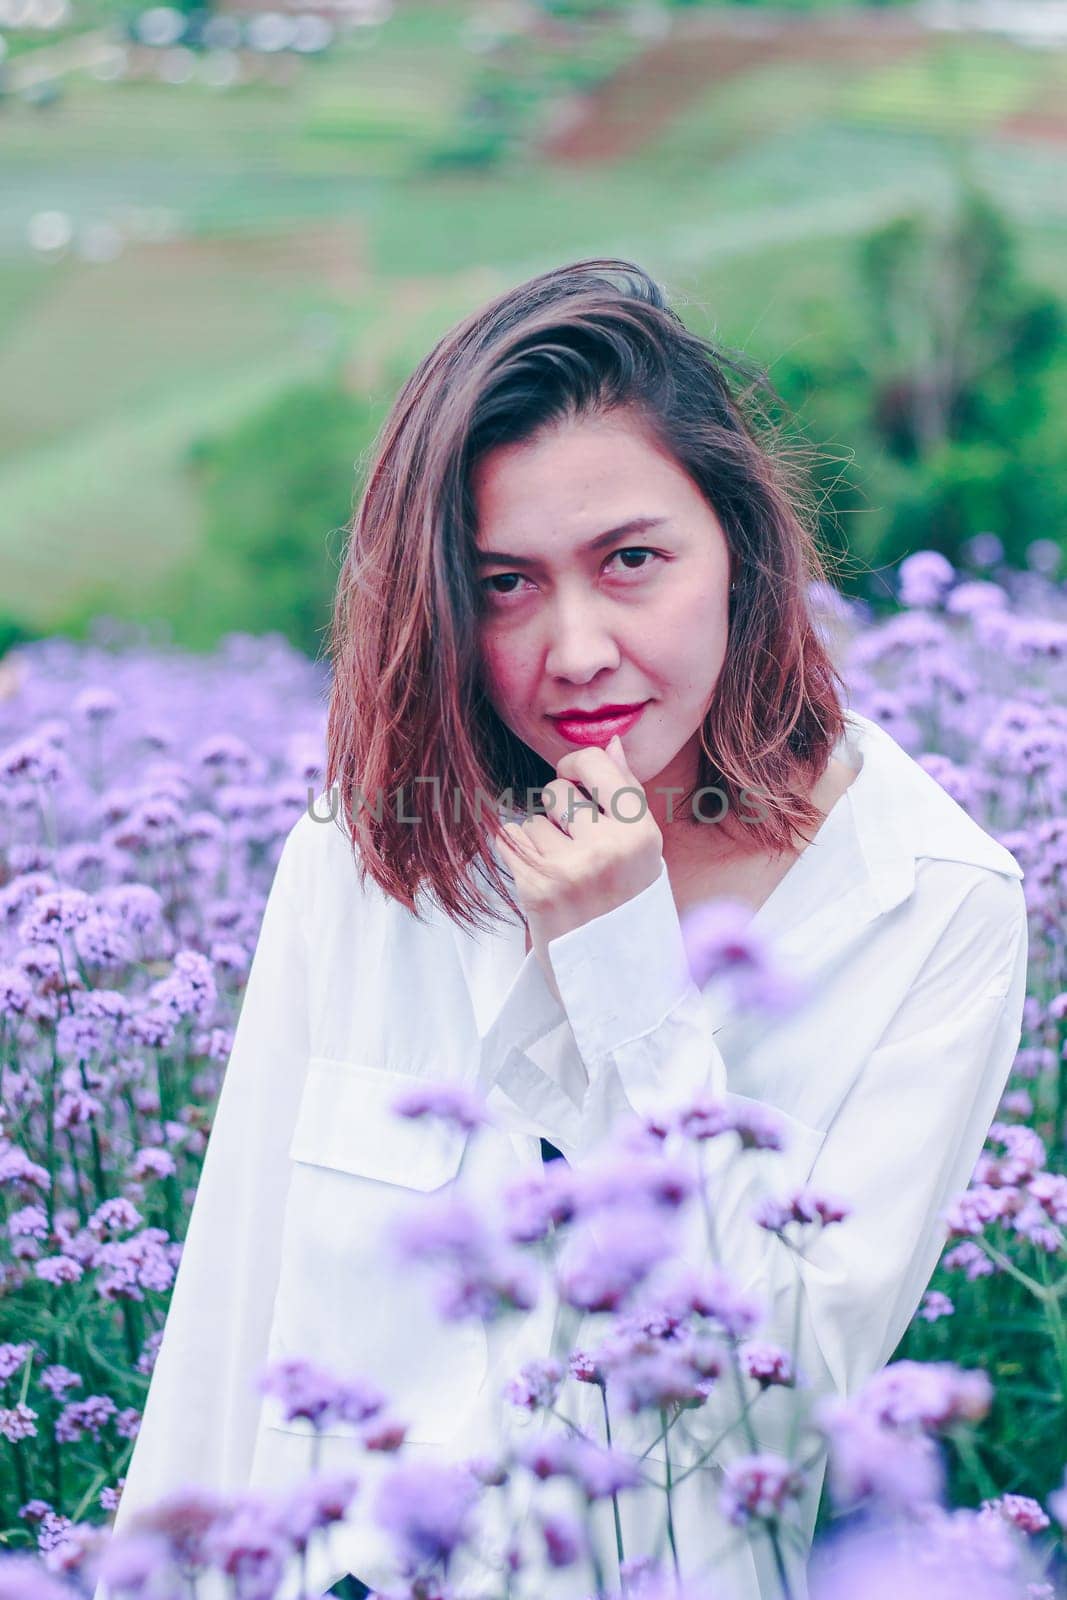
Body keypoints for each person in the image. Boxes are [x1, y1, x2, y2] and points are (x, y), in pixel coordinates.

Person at [95, 259, 1029, 1600]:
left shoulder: (933, 903)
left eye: (631, 561)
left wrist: (630, 981)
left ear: (741, 553)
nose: (578, 647)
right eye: (507, 584)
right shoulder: (369, 851)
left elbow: (784, 1394)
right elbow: (231, 1315)